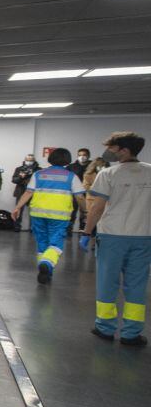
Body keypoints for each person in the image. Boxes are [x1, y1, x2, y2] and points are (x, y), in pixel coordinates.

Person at [83, 132, 151, 347]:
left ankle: (105, 327)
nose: (109, 152)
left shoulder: (108, 174)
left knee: (107, 281)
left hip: (112, 235)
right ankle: (131, 333)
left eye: (112, 148)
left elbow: (97, 207)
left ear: (124, 150)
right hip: (143, 235)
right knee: (137, 285)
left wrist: (87, 232)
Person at [12, 148, 84, 284]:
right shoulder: (71, 176)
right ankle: (47, 263)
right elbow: (79, 197)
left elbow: (28, 192)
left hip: (38, 214)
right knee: (56, 243)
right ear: (67, 160)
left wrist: (17, 208)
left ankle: (45, 273)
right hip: (59, 216)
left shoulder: (38, 174)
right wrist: (86, 211)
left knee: (42, 243)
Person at [10, 154, 40, 232]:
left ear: (34, 161)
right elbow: (14, 180)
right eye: (27, 160)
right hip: (21, 191)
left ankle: (33, 227)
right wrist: (21, 177)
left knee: (34, 211)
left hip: (34, 192)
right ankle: (17, 226)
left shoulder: (39, 170)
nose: (29, 161)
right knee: (18, 209)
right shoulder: (19, 169)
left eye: (31, 160)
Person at [69, 149, 92, 232]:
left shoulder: (92, 166)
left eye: (84, 155)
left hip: (88, 193)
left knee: (85, 211)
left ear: (88, 156)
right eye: (80, 155)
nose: (82, 157)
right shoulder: (71, 167)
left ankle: (83, 228)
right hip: (74, 193)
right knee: (72, 210)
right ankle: (69, 228)